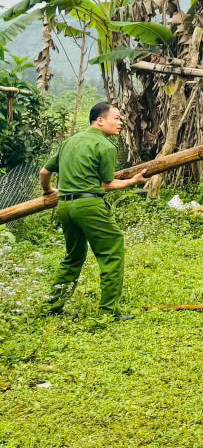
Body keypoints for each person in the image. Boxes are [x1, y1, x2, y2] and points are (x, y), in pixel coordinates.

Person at [41, 102, 148, 320]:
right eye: (116, 118)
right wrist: (132, 182)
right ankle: (108, 313)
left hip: (65, 206)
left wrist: (49, 190)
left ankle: (52, 307)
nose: (121, 123)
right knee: (111, 252)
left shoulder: (69, 142)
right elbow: (107, 184)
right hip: (90, 206)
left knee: (73, 256)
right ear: (100, 120)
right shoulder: (106, 146)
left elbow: (44, 171)